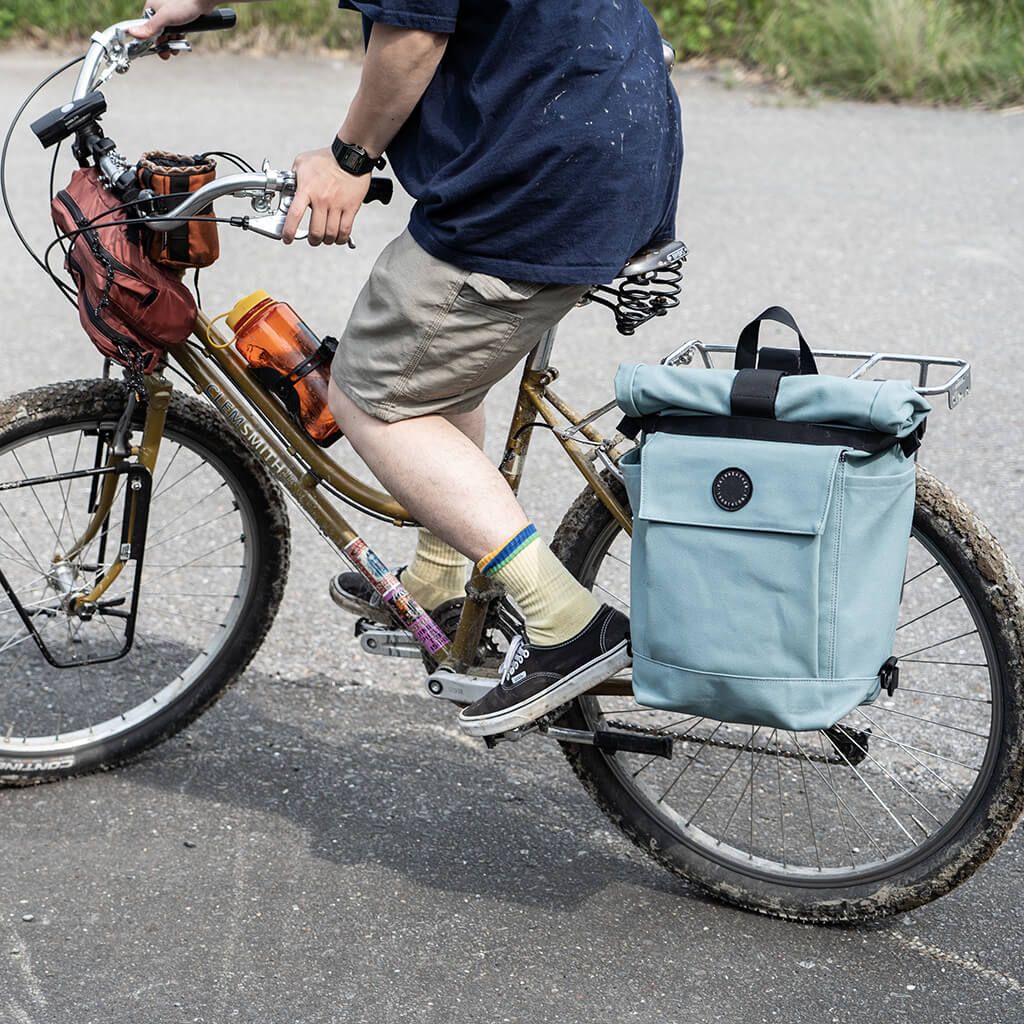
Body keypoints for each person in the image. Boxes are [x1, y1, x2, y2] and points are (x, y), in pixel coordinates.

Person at [134, 0, 683, 737]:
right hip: (597, 123)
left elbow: (416, 31)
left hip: (544, 168)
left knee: (375, 395)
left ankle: (567, 623)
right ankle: (440, 573)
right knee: (437, 362)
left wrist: (346, 159)